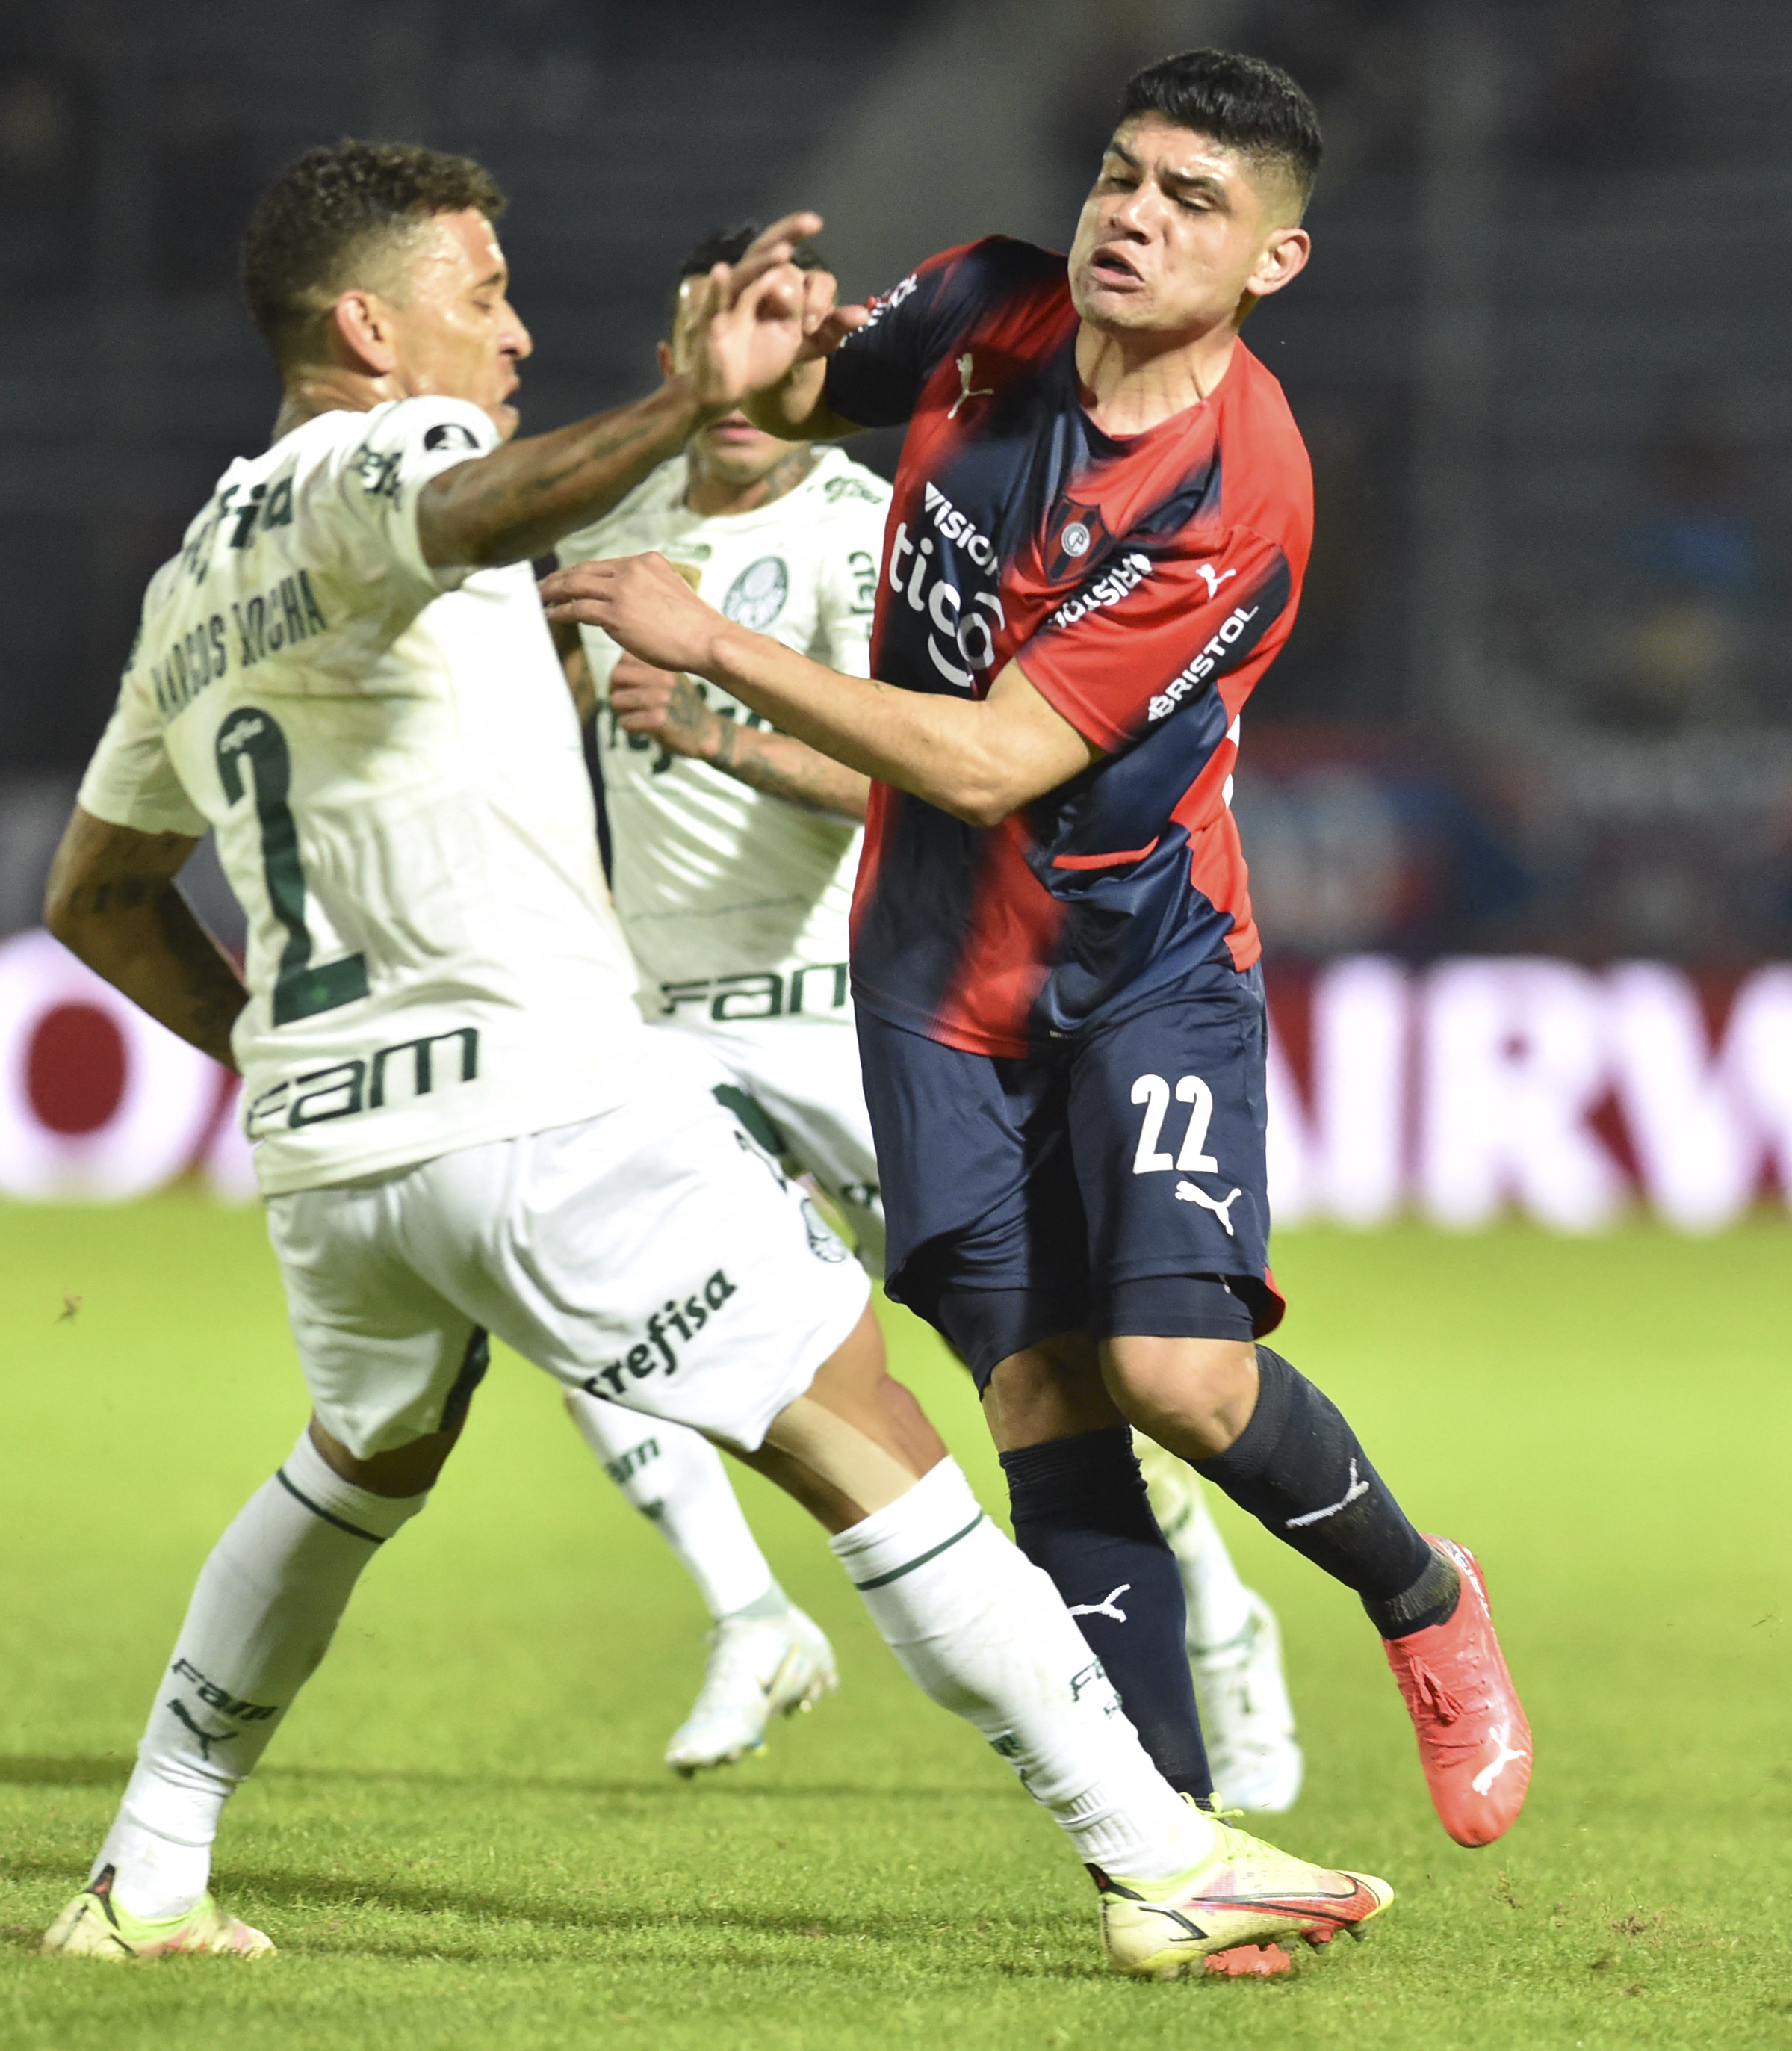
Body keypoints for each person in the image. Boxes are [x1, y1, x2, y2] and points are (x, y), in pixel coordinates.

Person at [34, 137, 1389, 1977]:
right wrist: (690, 396)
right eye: (483, 296)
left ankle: (149, 1867)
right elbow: (465, 512)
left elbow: (98, 896)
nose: (514, 336)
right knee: (874, 1432)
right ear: (367, 328)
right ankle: (1157, 1852)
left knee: (357, 1465)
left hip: (330, 1151)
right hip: (543, 1094)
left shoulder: (195, 574)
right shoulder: (404, 452)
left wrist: (276, 1055)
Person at [548, 50, 1531, 1847]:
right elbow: (803, 381)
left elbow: (995, 758)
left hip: (1138, 950)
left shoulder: (1238, 487)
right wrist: (742, 348)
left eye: (1192, 203)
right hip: (931, 973)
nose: (1134, 219)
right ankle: (1173, 1844)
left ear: (1271, 265)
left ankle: (1417, 1592)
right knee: (1044, 1406)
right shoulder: (992, 298)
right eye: (1122, 175)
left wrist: (715, 644)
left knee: (1177, 1375)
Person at [551, 221, 1307, 1807]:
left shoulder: (855, 524)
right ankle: (746, 1613)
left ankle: (1219, 1623)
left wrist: (719, 727)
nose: (747, 397)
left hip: (849, 999)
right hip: (669, 1018)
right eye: (708, 346)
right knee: (592, 1284)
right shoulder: (619, 534)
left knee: (1050, 1363)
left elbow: (938, 787)